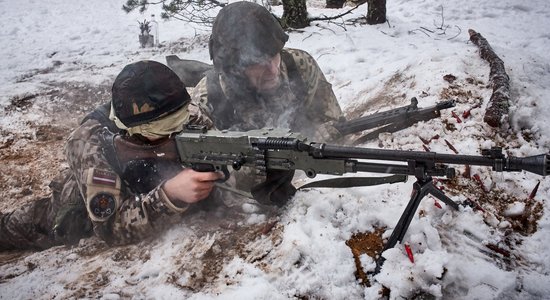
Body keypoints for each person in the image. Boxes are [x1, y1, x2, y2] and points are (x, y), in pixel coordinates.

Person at [0, 60, 270, 251]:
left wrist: (262, 169)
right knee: (12, 229)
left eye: (179, 123)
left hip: (147, 196)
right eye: (164, 129)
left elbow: (225, 170)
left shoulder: (189, 115)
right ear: (132, 128)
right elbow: (110, 227)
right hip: (76, 213)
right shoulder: (89, 142)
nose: (176, 133)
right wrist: (171, 195)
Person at [192, 1, 344, 142]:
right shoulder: (208, 99)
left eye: (274, 55)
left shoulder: (300, 66)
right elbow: (194, 165)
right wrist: (236, 169)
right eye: (259, 63)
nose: (273, 70)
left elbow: (332, 122)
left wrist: (327, 132)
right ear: (234, 70)